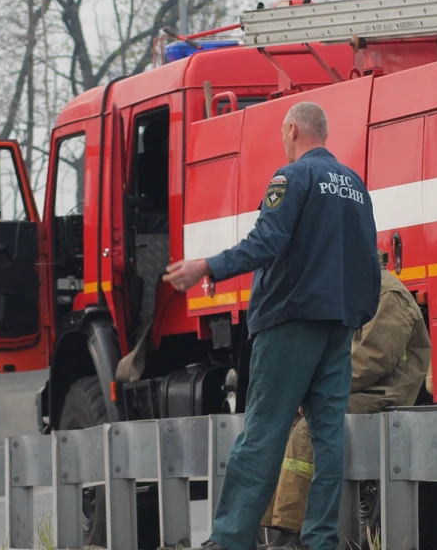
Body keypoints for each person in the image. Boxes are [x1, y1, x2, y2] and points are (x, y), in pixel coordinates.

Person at [163, 101, 380, 550]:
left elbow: (267, 241)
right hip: (337, 328)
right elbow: (368, 263)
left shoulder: (292, 177)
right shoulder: (356, 186)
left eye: (284, 135)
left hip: (290, 324)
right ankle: (322, 541)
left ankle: (229, 539)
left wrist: (208, 265)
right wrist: (354, 316)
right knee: (328, 438)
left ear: (293, 129)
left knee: (263, 432)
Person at [260, 252, 432, 549]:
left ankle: (296, 535)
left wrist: (317, 392)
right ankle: (282, 529)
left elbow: (372, 361)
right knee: (283, 424)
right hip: (355, 390)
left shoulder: (388, 296)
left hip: (383, 395)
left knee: (308, 431)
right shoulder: (358, 292)